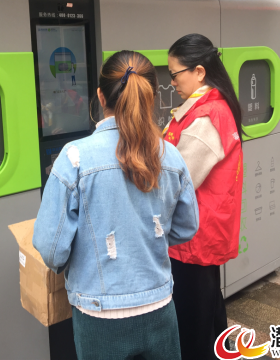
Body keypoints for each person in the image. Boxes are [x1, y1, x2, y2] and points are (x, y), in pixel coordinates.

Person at [33, 50, 199, 360]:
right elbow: (186, 227)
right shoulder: (171, 155)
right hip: (159, 306)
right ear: (150, 97)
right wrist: (147, 240)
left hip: (99, 314)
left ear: (100, 96)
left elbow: (52, 249)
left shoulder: (74, 158)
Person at [163, 34, 243, 360]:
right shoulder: (207, 108)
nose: (171, 82)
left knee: (192, 324)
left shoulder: (207, 116)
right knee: (208, 309)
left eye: (174, 74)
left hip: (193, 235)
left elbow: (177, 180)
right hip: (202, 229)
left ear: (198, 71)